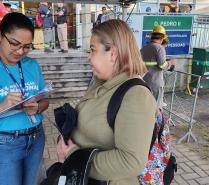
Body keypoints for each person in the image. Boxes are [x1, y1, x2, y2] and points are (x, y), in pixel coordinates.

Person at [56, 19, 156, 185]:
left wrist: (74, 156)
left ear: (113, 53)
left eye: (92, 50)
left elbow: (130, 161)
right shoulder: (101, 81)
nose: (89, 58)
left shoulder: (136, 95)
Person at [0, 12, 49, 185]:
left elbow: (45, 100)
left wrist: (37, 107)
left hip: (36, 138)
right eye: (14, 44)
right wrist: (1, 106)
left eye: (27, 46)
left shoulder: (32, 65)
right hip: (4, 144)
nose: (20, 51)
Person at [141, 25, 176, 110]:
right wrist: (170, 63)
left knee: (145, 106)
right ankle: (155, 123)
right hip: (155, 83)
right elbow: (162, 66)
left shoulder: (143, 48)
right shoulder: (159, 48)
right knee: (155, 108)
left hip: (143, 82)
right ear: (162, 38)